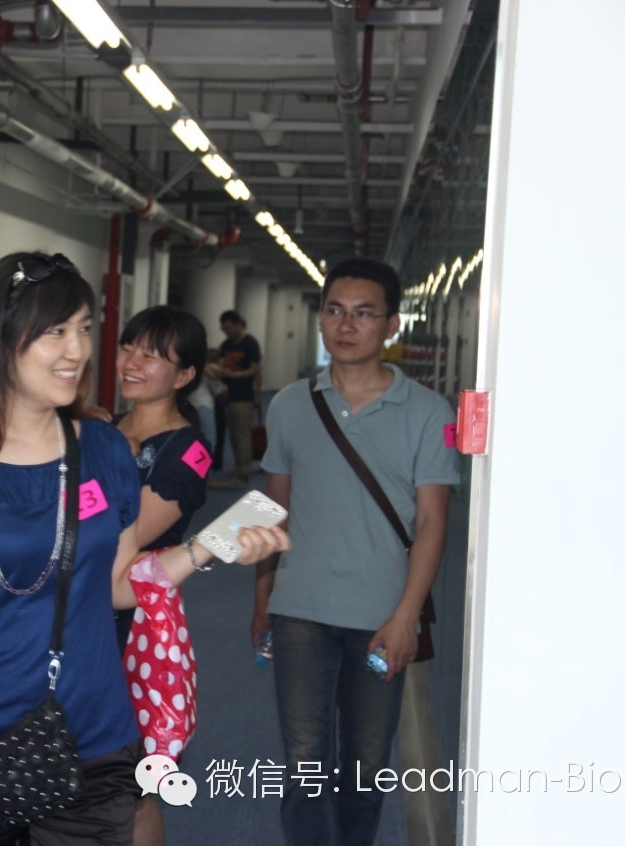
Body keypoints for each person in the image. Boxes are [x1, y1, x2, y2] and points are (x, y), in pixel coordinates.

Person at [0, 251, 290, 846]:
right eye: (54, 332)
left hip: (95, 736)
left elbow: (118, 585)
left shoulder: (103, 449)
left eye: (82, 328)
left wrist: (215, 543)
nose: (76, 350)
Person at [250, 258, 460, 846]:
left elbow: (432, 522)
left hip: (380, 617)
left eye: (364, 314)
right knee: (304, 762)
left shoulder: (429, 412)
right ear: (321, 319)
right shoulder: (289, 404)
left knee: (366, 765)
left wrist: (406, 617)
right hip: (299, 612)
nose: (346, 325)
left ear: (391, 326)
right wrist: (262, 600)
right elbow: (272, 510)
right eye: (336, 311)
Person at [112, 305, 211, 846]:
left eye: (152, 355)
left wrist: (113, 464)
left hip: (134, 626)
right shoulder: (104, 427)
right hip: (72, 618)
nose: (133, 362)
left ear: (184, 375)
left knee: (133, 786)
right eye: (129, 347)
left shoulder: (187, 450)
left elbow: (125, 537)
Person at [207, 310, 262, 487]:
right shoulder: (227, 344)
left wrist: (234, 375)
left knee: (242, 435)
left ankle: (243, 471)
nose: (226, 332)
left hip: (243, 396)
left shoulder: (250, 343)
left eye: (229, 328)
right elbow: (219, 362)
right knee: (233, 434)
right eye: (223, 328)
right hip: (227, 396)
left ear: (239, 325)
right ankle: (239, 466)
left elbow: (255, 370)